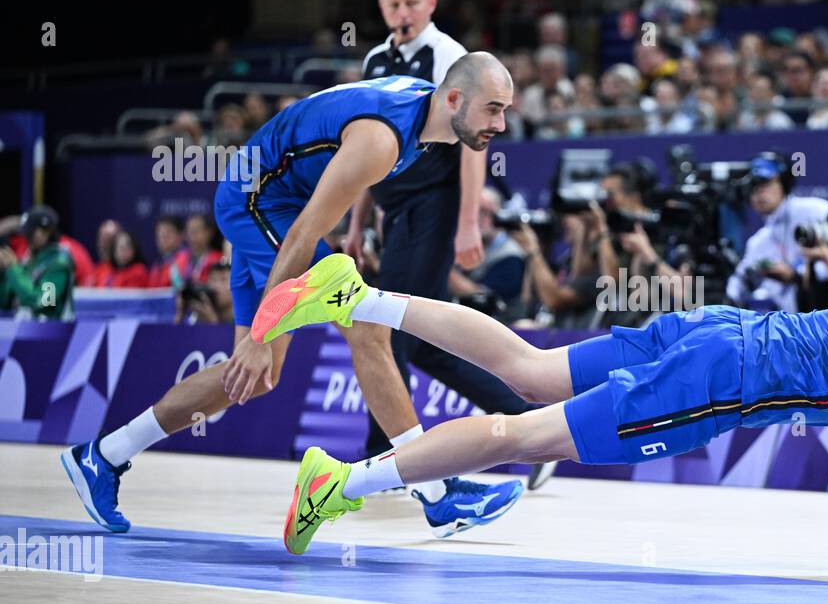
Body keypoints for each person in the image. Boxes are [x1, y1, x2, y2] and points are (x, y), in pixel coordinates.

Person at [260, 255, 828, 571]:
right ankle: (342, 484)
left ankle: (355, 294)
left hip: (717, 327)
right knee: (518, 432)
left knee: (530, 365)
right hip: (718, 387)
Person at [59, 55, 525, 538]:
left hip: (264, 193)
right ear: (453, 98)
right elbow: (303, 234)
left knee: (256, 377)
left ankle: (104, 455)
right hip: (261, 202)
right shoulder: (383, 139)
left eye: (504, 110)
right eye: (492, 109)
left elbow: (327, 157)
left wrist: (352, 232)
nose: (501, 123)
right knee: (365, 326)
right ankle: (437, 493)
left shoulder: (416, 110)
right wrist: (264, 330)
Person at [349, 0, 554, 492]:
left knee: (385, 329)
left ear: (431, 4)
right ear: (381, 7)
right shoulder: (375, 60)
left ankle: (385, 462)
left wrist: (466, 224)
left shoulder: (450, 59)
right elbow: (367, 149)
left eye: (412, 4)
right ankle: (531, 427)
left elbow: (473, 141)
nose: (403, 13)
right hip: (396, 213)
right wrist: (356, 223)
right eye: (393, 5)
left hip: (434, 210)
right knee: (428, 341)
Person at [725, 153, 828, 313]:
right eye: (753, 186)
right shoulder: (757, 243)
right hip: (788, 328)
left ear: (785, 183)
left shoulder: (815, 211)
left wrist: (795, 276)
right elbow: (738, 285)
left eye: (765, 183)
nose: (758, 192)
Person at [0, 205, 75, 320]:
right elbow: (5, 302)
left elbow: (45, 302)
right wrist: (3, 273)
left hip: (53, 333)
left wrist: (13, 269)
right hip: (24, 329)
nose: (26, 238)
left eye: (30, 234)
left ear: (46, 232)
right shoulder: (29, 259)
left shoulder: (59, 262)